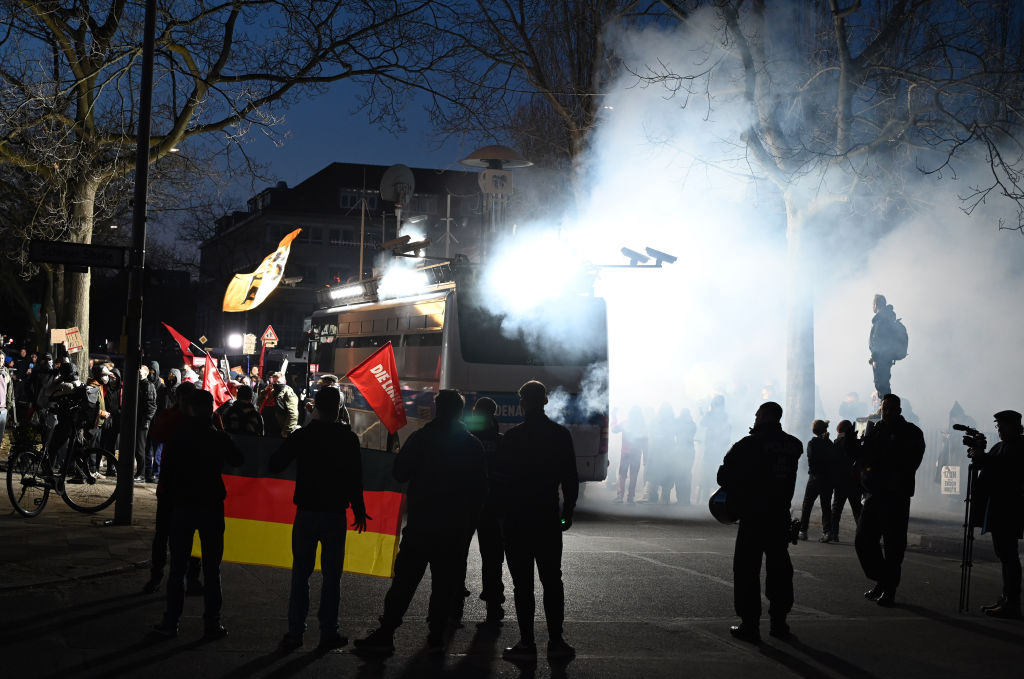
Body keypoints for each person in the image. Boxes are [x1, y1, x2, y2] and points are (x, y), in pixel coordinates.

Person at [354, 390, 486, 655]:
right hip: (453, 529)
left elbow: (400, 472)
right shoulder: (472, 445)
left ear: (437, 408)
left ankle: (387, 632)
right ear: (460, 412)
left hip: (422, 525)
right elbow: (480, 492)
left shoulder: (421, 439)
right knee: (444, 585)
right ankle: (436, 635)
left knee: (404, 583)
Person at [271, 386, 367, 651]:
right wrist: (358, 508)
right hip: (335, 513)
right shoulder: (348, 439)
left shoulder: (304, 435)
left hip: (307, 511)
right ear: (338, 408)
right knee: (331, 577)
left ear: (315, 407)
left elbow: (275, 464)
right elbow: (355, 477)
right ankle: (328, 632)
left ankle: (295, 633)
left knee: (300, 574)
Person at [495, 381, 578, 661]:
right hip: (547, 518)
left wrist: (501, 516)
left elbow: (500, 482)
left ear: (522, 404)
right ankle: (556, 641)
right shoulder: (560, 435)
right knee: (552, 581)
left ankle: (527, 643)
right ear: (545, 401)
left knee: (523, 586)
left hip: (518, 519)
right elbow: (570, 478)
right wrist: (569, 511)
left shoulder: (512, 437)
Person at [151, 388, 244, 640]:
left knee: (178, 567)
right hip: (211, 505)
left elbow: (168, 473)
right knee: (213, 568)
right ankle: (212, 623)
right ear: (211, 409)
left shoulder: (179, 435)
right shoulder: (217, 436)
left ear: (189, 408)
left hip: (182, 504)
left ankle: (171, 622)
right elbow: (238, 459)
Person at [717, 401, 802, 643]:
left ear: (763, 416)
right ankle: (779, 622)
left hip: (754, 516)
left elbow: (723, 475)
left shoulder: (748, 445)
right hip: (779, 516)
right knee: (780, 569)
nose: (754, 418)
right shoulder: (793, 445)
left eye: (757, 415)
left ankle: (750, 624)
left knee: (746, 571)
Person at [852, 393, 925, 607]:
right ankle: (882, 579)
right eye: (885, 409)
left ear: (900, 410)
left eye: (893, 409)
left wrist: (885, 466)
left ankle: (889, 589)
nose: (888, 412)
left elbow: (910, 461)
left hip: (896, 496)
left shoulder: (911, 432)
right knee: (863, 540)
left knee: (893, 546)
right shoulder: (876, 429)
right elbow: (865, 456)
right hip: (874, 494)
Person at [968, 410, 1024, 619]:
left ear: (1015, 426)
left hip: (1010, 508)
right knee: (1004, 553)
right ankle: (1006, 598)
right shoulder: (999, 446)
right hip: (998, 507)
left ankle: (1012, 602)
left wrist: (984, 459)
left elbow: (1006, 470)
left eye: (1003, 426)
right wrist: (978, 454)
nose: (999, 430)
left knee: (1008, 555)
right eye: (998, 426)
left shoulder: (1019, 446)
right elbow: (986, 465)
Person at [464, 396, 505, 627]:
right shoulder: (500, 440)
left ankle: (453, 603)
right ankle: (493, 603)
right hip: (492, 505)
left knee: (458, 553)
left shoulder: (465, 438)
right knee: (492, 557)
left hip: (467, 503)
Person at [798, 419, 835, 542]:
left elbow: (811, 459)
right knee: (826, 506)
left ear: (814, 430)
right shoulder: (829, 443)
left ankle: (803, 531)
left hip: (815, 478)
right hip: (828, 479)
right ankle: (827, 532)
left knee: (807, 504)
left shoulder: (812, 443)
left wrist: (814, 474)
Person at [828, 420, 863, 543]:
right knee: (857, 509)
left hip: (841, 480)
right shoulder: (856, 442)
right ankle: (862, 534)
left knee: (837, 508)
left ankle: (834, 534)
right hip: (854, 480)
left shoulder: (836, 443)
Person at [868, 294, 906, 397]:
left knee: (881, 384)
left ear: (876, 304)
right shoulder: (888, 317)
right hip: (887, 357)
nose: (872, 307)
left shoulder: (881, 319)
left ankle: (885, 408)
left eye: (873, 304)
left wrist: (875, 357)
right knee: (884, 383)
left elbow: (878, 339)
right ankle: (885, 407)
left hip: (881, 357)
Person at [612, 406, 646, 504]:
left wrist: (614, 416)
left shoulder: (626, 423)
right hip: (636, 454)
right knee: (634, 475)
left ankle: (620, 496)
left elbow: (614, 429)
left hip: (625, 453)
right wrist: (646, 456)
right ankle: (630, 498)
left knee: (622, 474)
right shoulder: (642, 426)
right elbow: (645, 442)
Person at [136, 364, 158, 483]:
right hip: (139, 420)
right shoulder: (139, 384)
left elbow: (152, 405)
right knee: (137, 448)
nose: (138, 373)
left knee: (140, 448)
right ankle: (139, 472)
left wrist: (147, 420)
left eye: (140, 371)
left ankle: (141, 473)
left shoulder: (148, 386)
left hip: (142, 421)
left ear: (145, 373)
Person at [0, 350, 16, 445]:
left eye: (2, 358)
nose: (0, 360)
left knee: (0, 436)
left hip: (3, 409)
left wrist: (8, 405)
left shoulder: (6, 372)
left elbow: (10, 389)